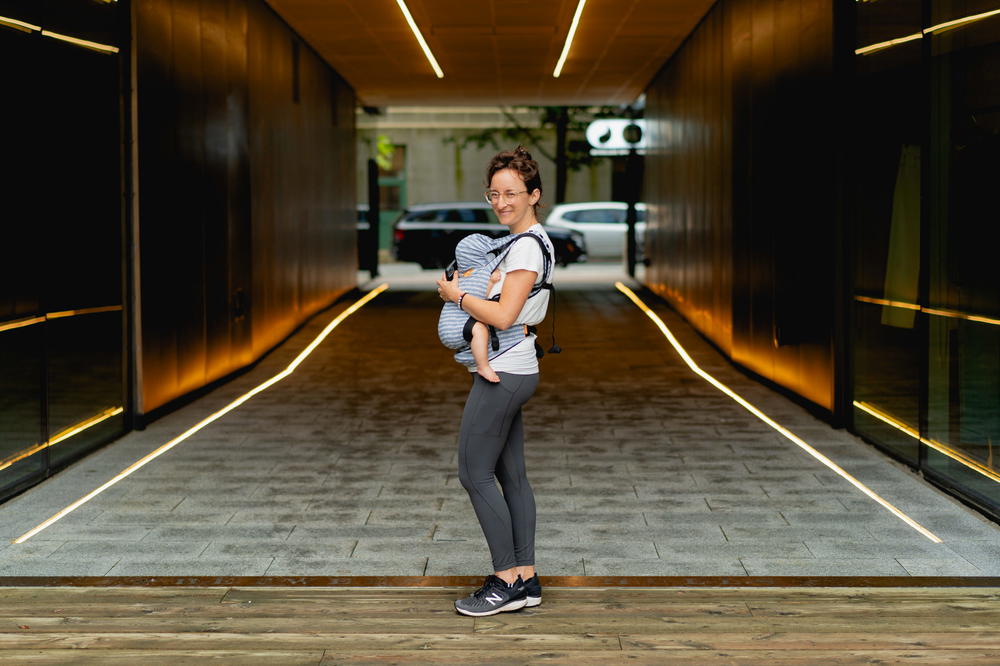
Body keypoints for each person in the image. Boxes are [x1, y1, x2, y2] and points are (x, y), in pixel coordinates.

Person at [436, 146, 555, 617]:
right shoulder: (523, 241)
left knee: (473, 472)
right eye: (495, 193)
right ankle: (525, 578)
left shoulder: (526, 245)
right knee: (511, 475)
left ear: (534, 195)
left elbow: (504, 314)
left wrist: (456, 295)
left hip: (505, 369)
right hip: (516, 364)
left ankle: (504, 580)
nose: (502, 202)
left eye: (512, 193)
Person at [469, 270, 503, 383]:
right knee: (481, 331)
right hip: (462, 317)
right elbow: (477, 296)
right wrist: (491, 282)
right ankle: (483, 366)